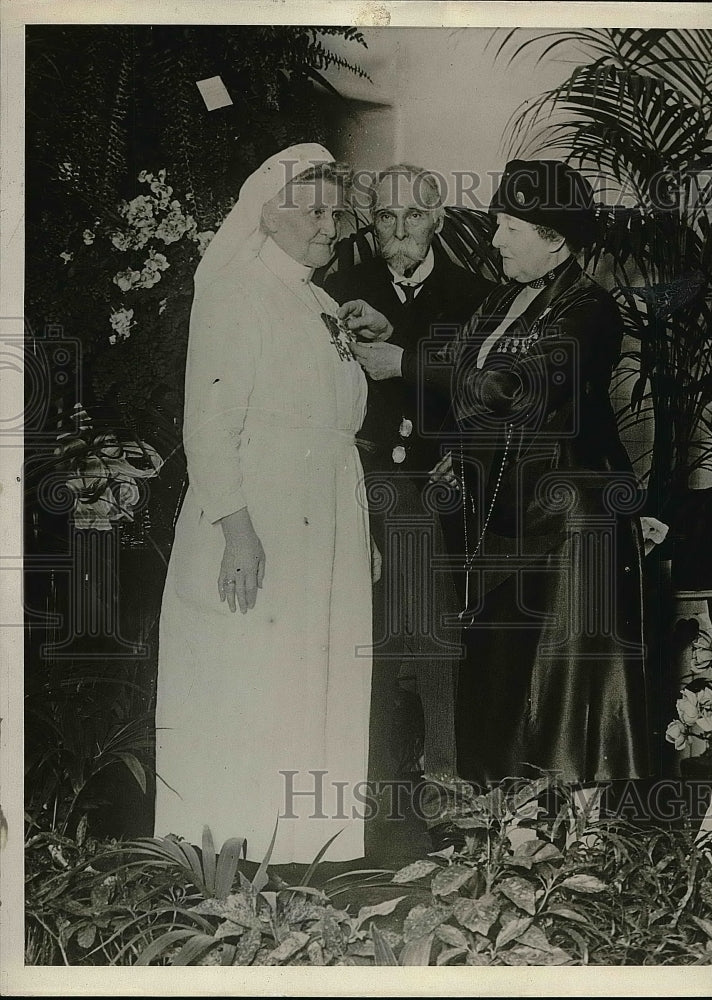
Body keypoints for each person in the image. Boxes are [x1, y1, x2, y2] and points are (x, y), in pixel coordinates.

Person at [341, 158, 651, 800]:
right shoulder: (505, 298)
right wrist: (390, 334)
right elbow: (459, 365)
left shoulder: (589, 309)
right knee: (505, 677)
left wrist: (402, 361)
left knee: (562, 687)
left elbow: (515, 387)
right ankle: (513, 833)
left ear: (554, 237)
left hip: (570, 524)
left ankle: (578, 838)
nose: (496, 240)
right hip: (506, 523)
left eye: (510, 227)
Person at [155, 144, 376, 865]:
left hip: (325, 513)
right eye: (311, 211)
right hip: (258, 511)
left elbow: (331, 419)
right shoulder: (237, 291)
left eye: (335, 211)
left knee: (309, 675)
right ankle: (222, 854)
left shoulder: (314, 301)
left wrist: (358, 527)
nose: (329, 225)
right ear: (266, 216)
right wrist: (239, 534)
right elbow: (210, 425)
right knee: (247, 672)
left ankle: (300, 849)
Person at [324, 166, 493, 825]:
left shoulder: (476, 297)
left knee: (426, 620)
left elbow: (489, 395)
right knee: (367, 627)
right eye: (386, 219)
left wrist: (462, 450)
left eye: (413, 218)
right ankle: (378, 775)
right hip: (359, 480)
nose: (399, 232)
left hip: (439, 484)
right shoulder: (341, 291)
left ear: (439, 220)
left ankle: (438, 773)